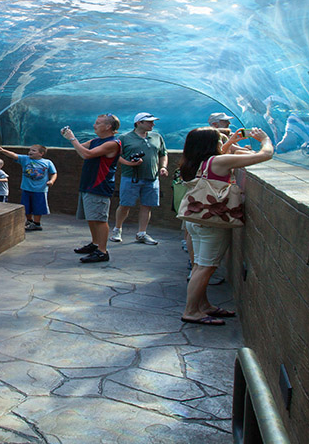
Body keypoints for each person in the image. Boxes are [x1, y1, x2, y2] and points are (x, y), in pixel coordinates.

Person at [178, 126, 273, 326]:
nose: (222, 142)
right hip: (211, 222)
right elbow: (266, 155)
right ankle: (191, 311)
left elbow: (220, 155)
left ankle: (203, 305)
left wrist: (230, 142)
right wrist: (264, 139)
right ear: (211, 144)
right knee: (206, 267)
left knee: (199, 265)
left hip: (195, 221)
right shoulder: (219, 161)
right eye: (219, 140)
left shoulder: (196, 162)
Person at [62, 114, 122, 263]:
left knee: (100, 218)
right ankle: (95, 244)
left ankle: (102, 251)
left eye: (98, 123)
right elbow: (81, 149)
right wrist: (69, 138)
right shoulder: (96, 141)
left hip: (99, 185)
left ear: (108, 126)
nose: (94, 125)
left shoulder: (113, 143)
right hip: (88, 184)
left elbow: (87, 155)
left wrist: (72, 138)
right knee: (92, 216)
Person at [111, 112, 167, 245]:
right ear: (139, 123)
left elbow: (163, 153)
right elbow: (115, 155)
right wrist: (129, 163)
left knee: (147, 206)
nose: (153, 124)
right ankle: (117, 229)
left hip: (152, 178)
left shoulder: (157, 136)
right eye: (149, 122)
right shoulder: (124, 138)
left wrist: (163, 167)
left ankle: (142, 233)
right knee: (125, 204)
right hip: (131, 177)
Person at [0, 144, 57, 231]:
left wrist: (51, 181)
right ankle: (29, 221)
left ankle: (37, 223)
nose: (30, 152)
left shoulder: (48, 162)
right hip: (26, 188)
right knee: (26, 206)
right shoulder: (25, 159)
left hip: (40, 190)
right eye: (30, 150)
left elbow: (54, 173)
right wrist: (3, 151)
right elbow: (14, 155)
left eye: (34, 150)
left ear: (41, 153)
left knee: (38, 207)